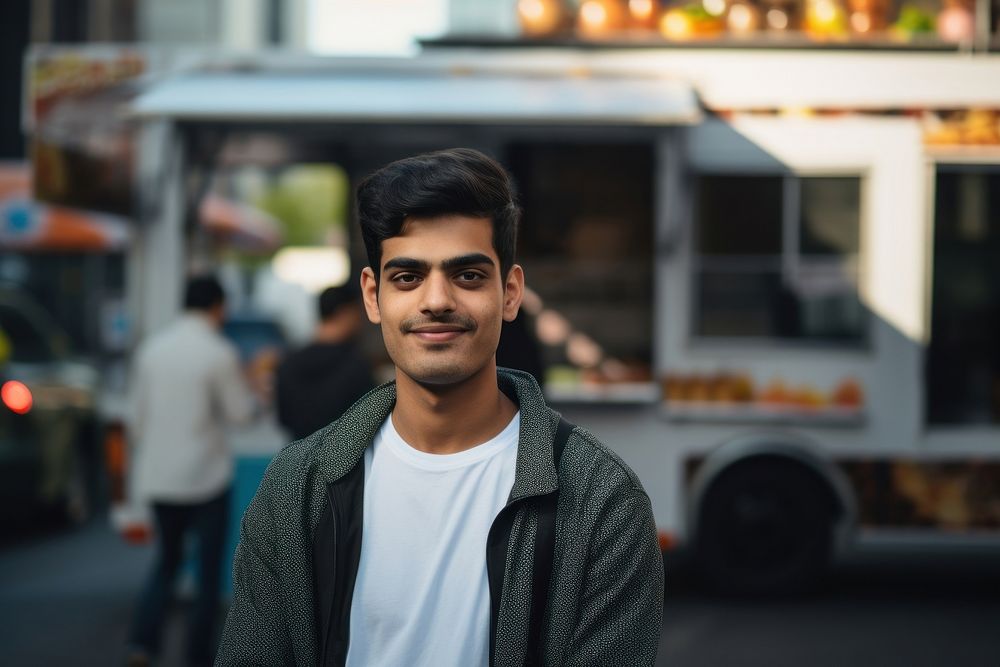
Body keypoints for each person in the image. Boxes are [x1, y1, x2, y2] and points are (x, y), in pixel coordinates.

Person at [217, 148, 663, 666]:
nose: (436, 300)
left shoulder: (602, 501)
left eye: (468, 275)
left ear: (511, 293)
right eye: (407, 277)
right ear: (373, 296)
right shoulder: (298, 490)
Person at [126, 274, 256, 667]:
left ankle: (141, 646)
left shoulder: (152, 349)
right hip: (206, 479)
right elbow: (241, 415)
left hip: (161, 478)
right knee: (208, 576)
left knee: (166, 563)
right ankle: (197, 657)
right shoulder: (219, 352)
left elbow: (136, 420)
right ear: (218, 306)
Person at [275, 284, 376, 440]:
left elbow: (283, 419)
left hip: (299, 458)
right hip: (345, 458)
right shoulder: (356, 365)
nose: (361, 321)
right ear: (345, 313)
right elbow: (369, 420)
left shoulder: (289, 363)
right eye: (359, 313)